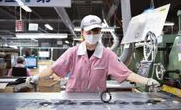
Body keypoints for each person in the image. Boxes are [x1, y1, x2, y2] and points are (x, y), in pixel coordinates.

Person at [26, 15, 160, 92]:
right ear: (82, 33)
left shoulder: (107, 55)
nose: (92, 35)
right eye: (89, 32)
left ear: (100, 32)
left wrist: (148, 81)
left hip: (97, 100)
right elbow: (53, 69)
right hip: (72, 99)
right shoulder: (72, 53)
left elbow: (126, 74)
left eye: (96, 32)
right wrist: (36, 77)